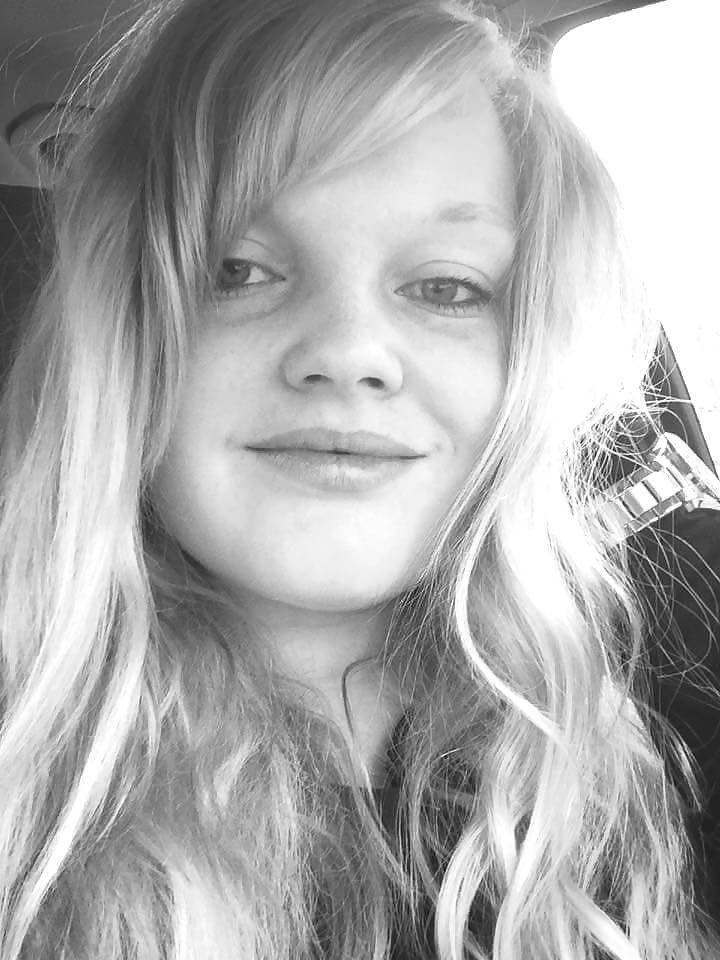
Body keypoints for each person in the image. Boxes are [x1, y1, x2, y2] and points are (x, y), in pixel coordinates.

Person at [0, 0, 718, 957]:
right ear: (123, 336)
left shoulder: (654, 700)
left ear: (530, 356)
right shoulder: (28, 785)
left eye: (447, 288)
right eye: (236, 270)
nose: (347, 351)